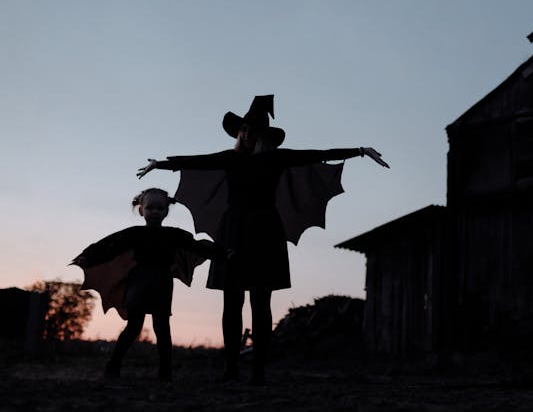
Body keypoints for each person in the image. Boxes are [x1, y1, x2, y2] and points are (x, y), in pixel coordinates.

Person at [137, 95, 388, 384]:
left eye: (250, 130)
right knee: (231, 301)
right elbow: (197, 162)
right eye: (242, 129)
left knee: (261, 301)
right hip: (232, 231)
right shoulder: (230, 158)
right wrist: (160, 164)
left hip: (267, 231)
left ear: (262, 135)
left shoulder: (277, 158)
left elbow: (316, 154)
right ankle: (231, 368)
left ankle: (258, 370)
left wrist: (360, 151)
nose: (244, 134)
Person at [72, 188, 214, 382]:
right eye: (150, 208)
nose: (155, 212)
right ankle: (113, 364)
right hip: (139, 281)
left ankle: (165, 371)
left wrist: (221, 254)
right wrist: (88, 257)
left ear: (166, 211)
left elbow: (196, 246)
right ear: (141, 210)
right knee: (133, 326)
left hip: (162, 283)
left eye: (159, 208)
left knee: (162, 327)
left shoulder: (175, 235)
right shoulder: (134, 234)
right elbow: (110, 245)